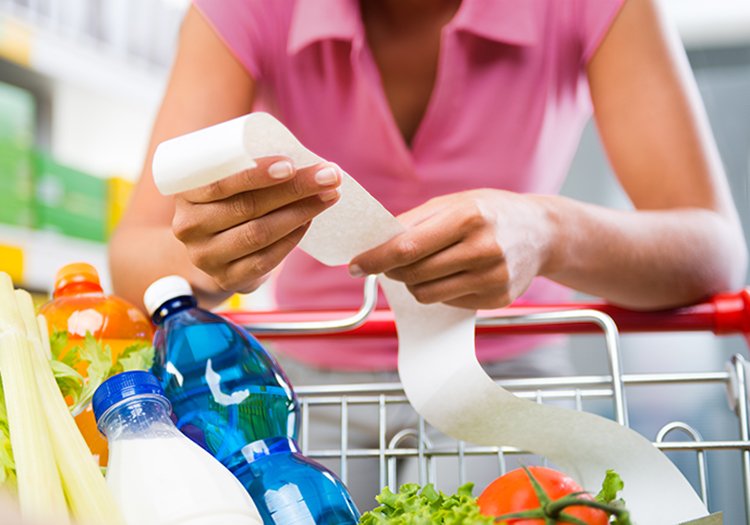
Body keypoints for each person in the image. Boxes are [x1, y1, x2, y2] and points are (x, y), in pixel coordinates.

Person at [109, 0, 747, 508]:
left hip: (504, 371)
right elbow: (137, 252)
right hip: (300, 393)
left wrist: (551, 230)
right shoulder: (249, 8)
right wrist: (217, 256)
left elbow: (714, 248)